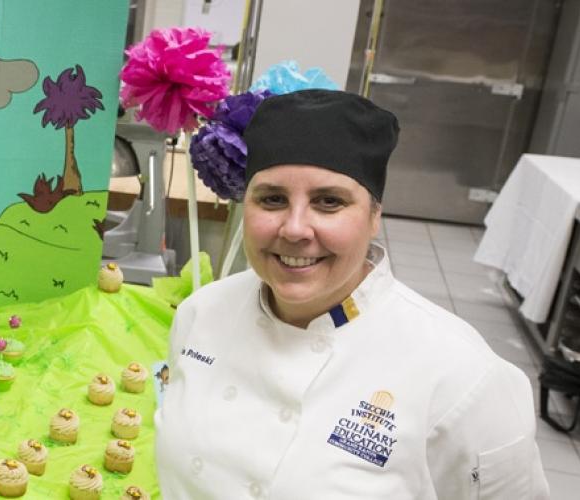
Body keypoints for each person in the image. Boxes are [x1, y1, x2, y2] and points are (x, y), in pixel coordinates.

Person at [154, 89, 549, 499]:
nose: (294, 229)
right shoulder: (202, 314)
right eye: (272, 199)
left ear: (374, 215)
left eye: (328, 202)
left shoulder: (464, 379)